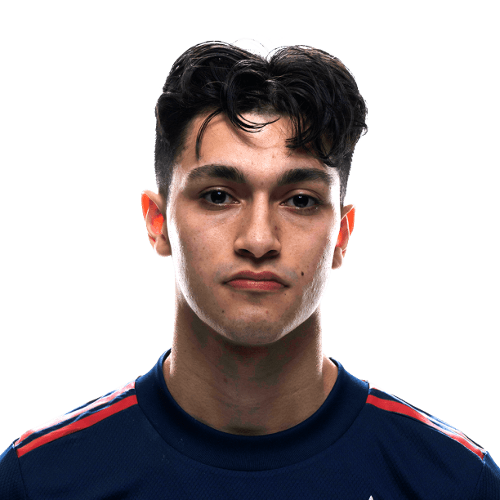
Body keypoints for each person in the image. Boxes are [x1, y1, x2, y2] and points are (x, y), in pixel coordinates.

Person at [1, 36, 499, 499]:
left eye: (300, 200)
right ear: (158, 223)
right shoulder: (39, 481)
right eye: (218, 196)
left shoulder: (456, 483)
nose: (259, 240)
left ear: (341, 235)